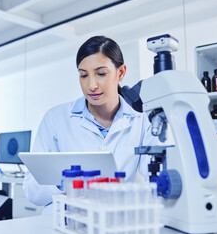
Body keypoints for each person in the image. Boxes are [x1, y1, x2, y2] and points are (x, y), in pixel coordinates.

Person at [23, 36, 158, 214]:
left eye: (101, 74)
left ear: (121, 72)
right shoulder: (55, 119)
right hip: (62, 222)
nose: (91, 85)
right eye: (83, 75)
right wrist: (67, 185)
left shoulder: (142, 120)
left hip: (114, 223)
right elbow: (31, 190)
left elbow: (156, 179)